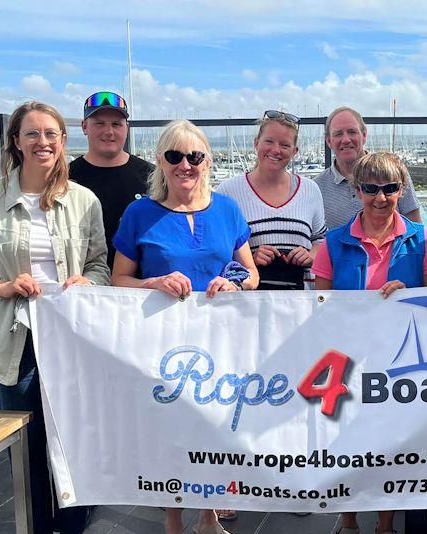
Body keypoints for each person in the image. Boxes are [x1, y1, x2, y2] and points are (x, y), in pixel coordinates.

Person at [0, 101, 109, 533]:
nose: (42, 142)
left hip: (70, 340)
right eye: (32, 134)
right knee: (25, 449)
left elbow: (99, 262)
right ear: (16, 142)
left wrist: (88, 282)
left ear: (62, 142)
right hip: (12, 341)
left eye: (51, 134)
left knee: (75, 439)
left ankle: (75, 523)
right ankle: (37, 524)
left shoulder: (84, 201)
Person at [111, 119, 258, 534]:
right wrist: (152, 282)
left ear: (207, 161)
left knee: (214, 427)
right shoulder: (139, 213)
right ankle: (173, 519)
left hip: (220, 340)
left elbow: (252, 274)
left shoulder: (227, 209)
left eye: (194, 156)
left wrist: (234, 282)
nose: (185, 165)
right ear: (161, 161)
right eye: (175, 156)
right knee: (168, 431)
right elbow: (118, 279)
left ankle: (208, 516)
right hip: (161, 342)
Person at [312, 152, 427, 534]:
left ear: (401, 191)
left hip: (399, 365)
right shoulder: (334, 243)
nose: (381, 197)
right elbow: (321, 307)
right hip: (347, 361)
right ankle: (350, 518)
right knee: (347, 445)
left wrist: (409, 296)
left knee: (391, 447)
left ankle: (385, 524)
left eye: (389, 188)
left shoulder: (423, 241)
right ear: (357, 191)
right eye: (371, 188)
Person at [217, 110, 327, 290]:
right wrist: (250, 260)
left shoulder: (310, 189)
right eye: (269, 141)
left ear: (295, 151)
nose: (276, 150)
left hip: (301, 301)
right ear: (256, 143)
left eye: (284, 145)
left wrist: (310, 255)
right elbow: (220, 251)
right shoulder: (229, 192)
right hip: (250, 302)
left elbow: (321, 241)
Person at [70, 91, 154, 271]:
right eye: (99, 124)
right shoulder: (66, 177)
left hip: (140, 284)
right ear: (84, 127)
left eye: (116, 124)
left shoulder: (152, 176)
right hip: (82, 281)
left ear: (127, 128)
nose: (109, 132)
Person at [314, 106, 422, 230]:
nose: (346, 140)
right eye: (338, 134)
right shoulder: (317, 187)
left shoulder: (393, 173)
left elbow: (415, 226)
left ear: (364, 135)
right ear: (328, 141)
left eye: (352, 132)